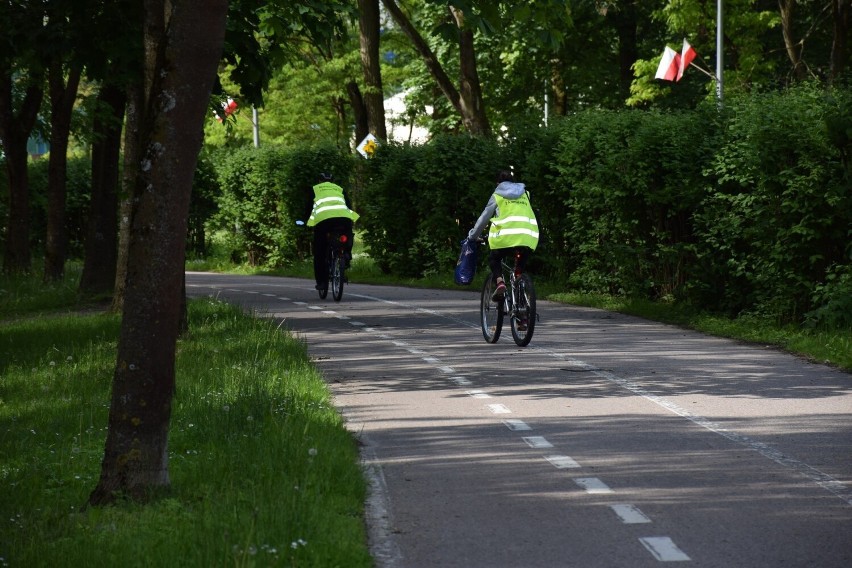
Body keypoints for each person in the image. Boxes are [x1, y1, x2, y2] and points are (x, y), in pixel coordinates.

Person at [467, 170, 539, 305]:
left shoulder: (497, 195)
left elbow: (484, 218)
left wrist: (472, 236)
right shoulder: (526, 194)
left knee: (494, 258)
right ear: (514, 182)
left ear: (498, 183)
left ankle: (499, 282)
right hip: (527, 237)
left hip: (505, 238)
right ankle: (523, 318)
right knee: (519, 273)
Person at [307, 173, 360, 290]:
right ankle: (346, 255)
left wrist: (306, 222)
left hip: (323, 221)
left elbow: (308, 209)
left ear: (320, 181)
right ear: (332, 181)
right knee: (346, 236)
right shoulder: (339, 189)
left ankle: (322, 283)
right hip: (343, 219)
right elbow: (349, 206)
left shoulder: (315, 189)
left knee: (319, 252)